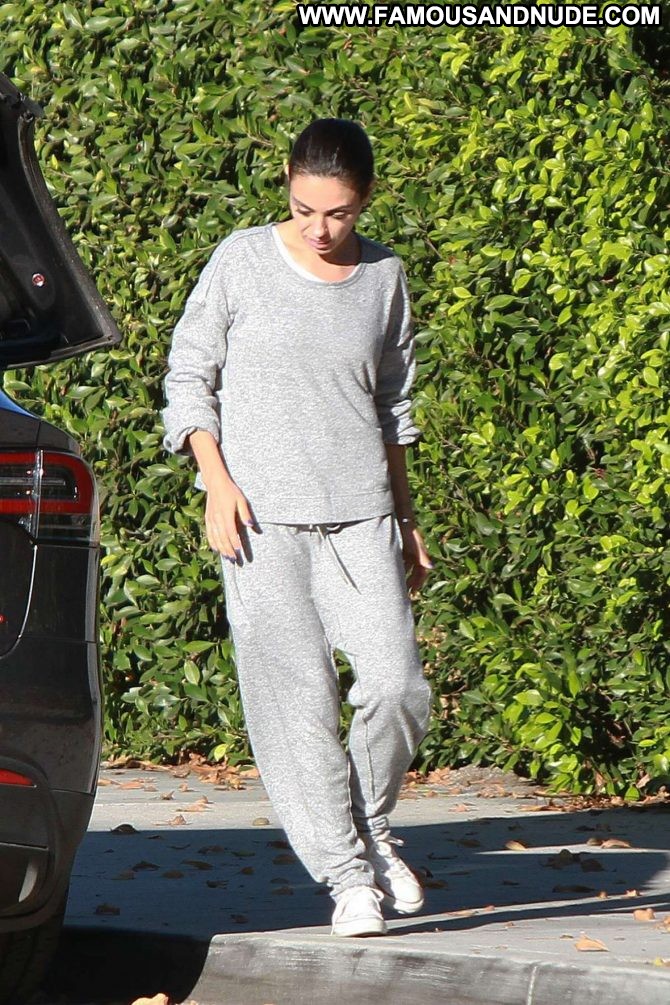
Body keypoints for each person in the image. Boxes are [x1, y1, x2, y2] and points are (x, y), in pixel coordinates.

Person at [162, 118, 433, 937]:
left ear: (366, 200)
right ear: (286, 182)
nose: (320, 228)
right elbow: (189, 374)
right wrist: (215, 481)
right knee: (300, 706)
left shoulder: (384, 277)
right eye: (306, 208)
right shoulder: (241, 260)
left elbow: (394, 403)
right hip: (260, 522)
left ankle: (368, 822)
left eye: (339, 213)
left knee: (397, 685)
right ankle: (347, 877)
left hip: (361, 515)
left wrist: (407, 516)